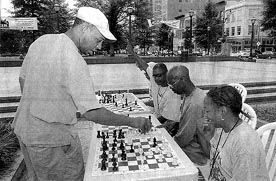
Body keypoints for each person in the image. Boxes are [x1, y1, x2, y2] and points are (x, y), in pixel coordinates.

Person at [12, 7, 152, 181]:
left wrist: (41, 107)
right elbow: (92, 112)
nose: (98, 46)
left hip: (25, 131)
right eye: (98, 39)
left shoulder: (42, 41)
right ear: (86, 27)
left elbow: (23, 80)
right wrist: (132, 121)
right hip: (52, 141)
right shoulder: (74, 59)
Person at [204, 85, 269, 180]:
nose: (205, 116)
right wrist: (207, 134)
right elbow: (215, 160)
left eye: (207, 111)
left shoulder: (244, 143)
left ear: (222, 111)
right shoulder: (221, 127)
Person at [127, 45, 181, 135]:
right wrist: (132, 53)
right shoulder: (155, 81)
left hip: (169, 125)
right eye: (154, 76)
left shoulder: (173, 92)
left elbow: (166, 118)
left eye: (160, 75)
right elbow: (144, 65)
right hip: (158, 118)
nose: (156, 78)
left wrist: (150, 122)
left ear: (166, 74)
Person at [166, 65, 210, 166]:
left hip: (194, 153)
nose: (170, 88)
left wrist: (167, 140)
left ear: (182, 79)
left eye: (172, 83)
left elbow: (183, 139)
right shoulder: (191, 94)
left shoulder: (195, 103)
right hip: (191, 144)